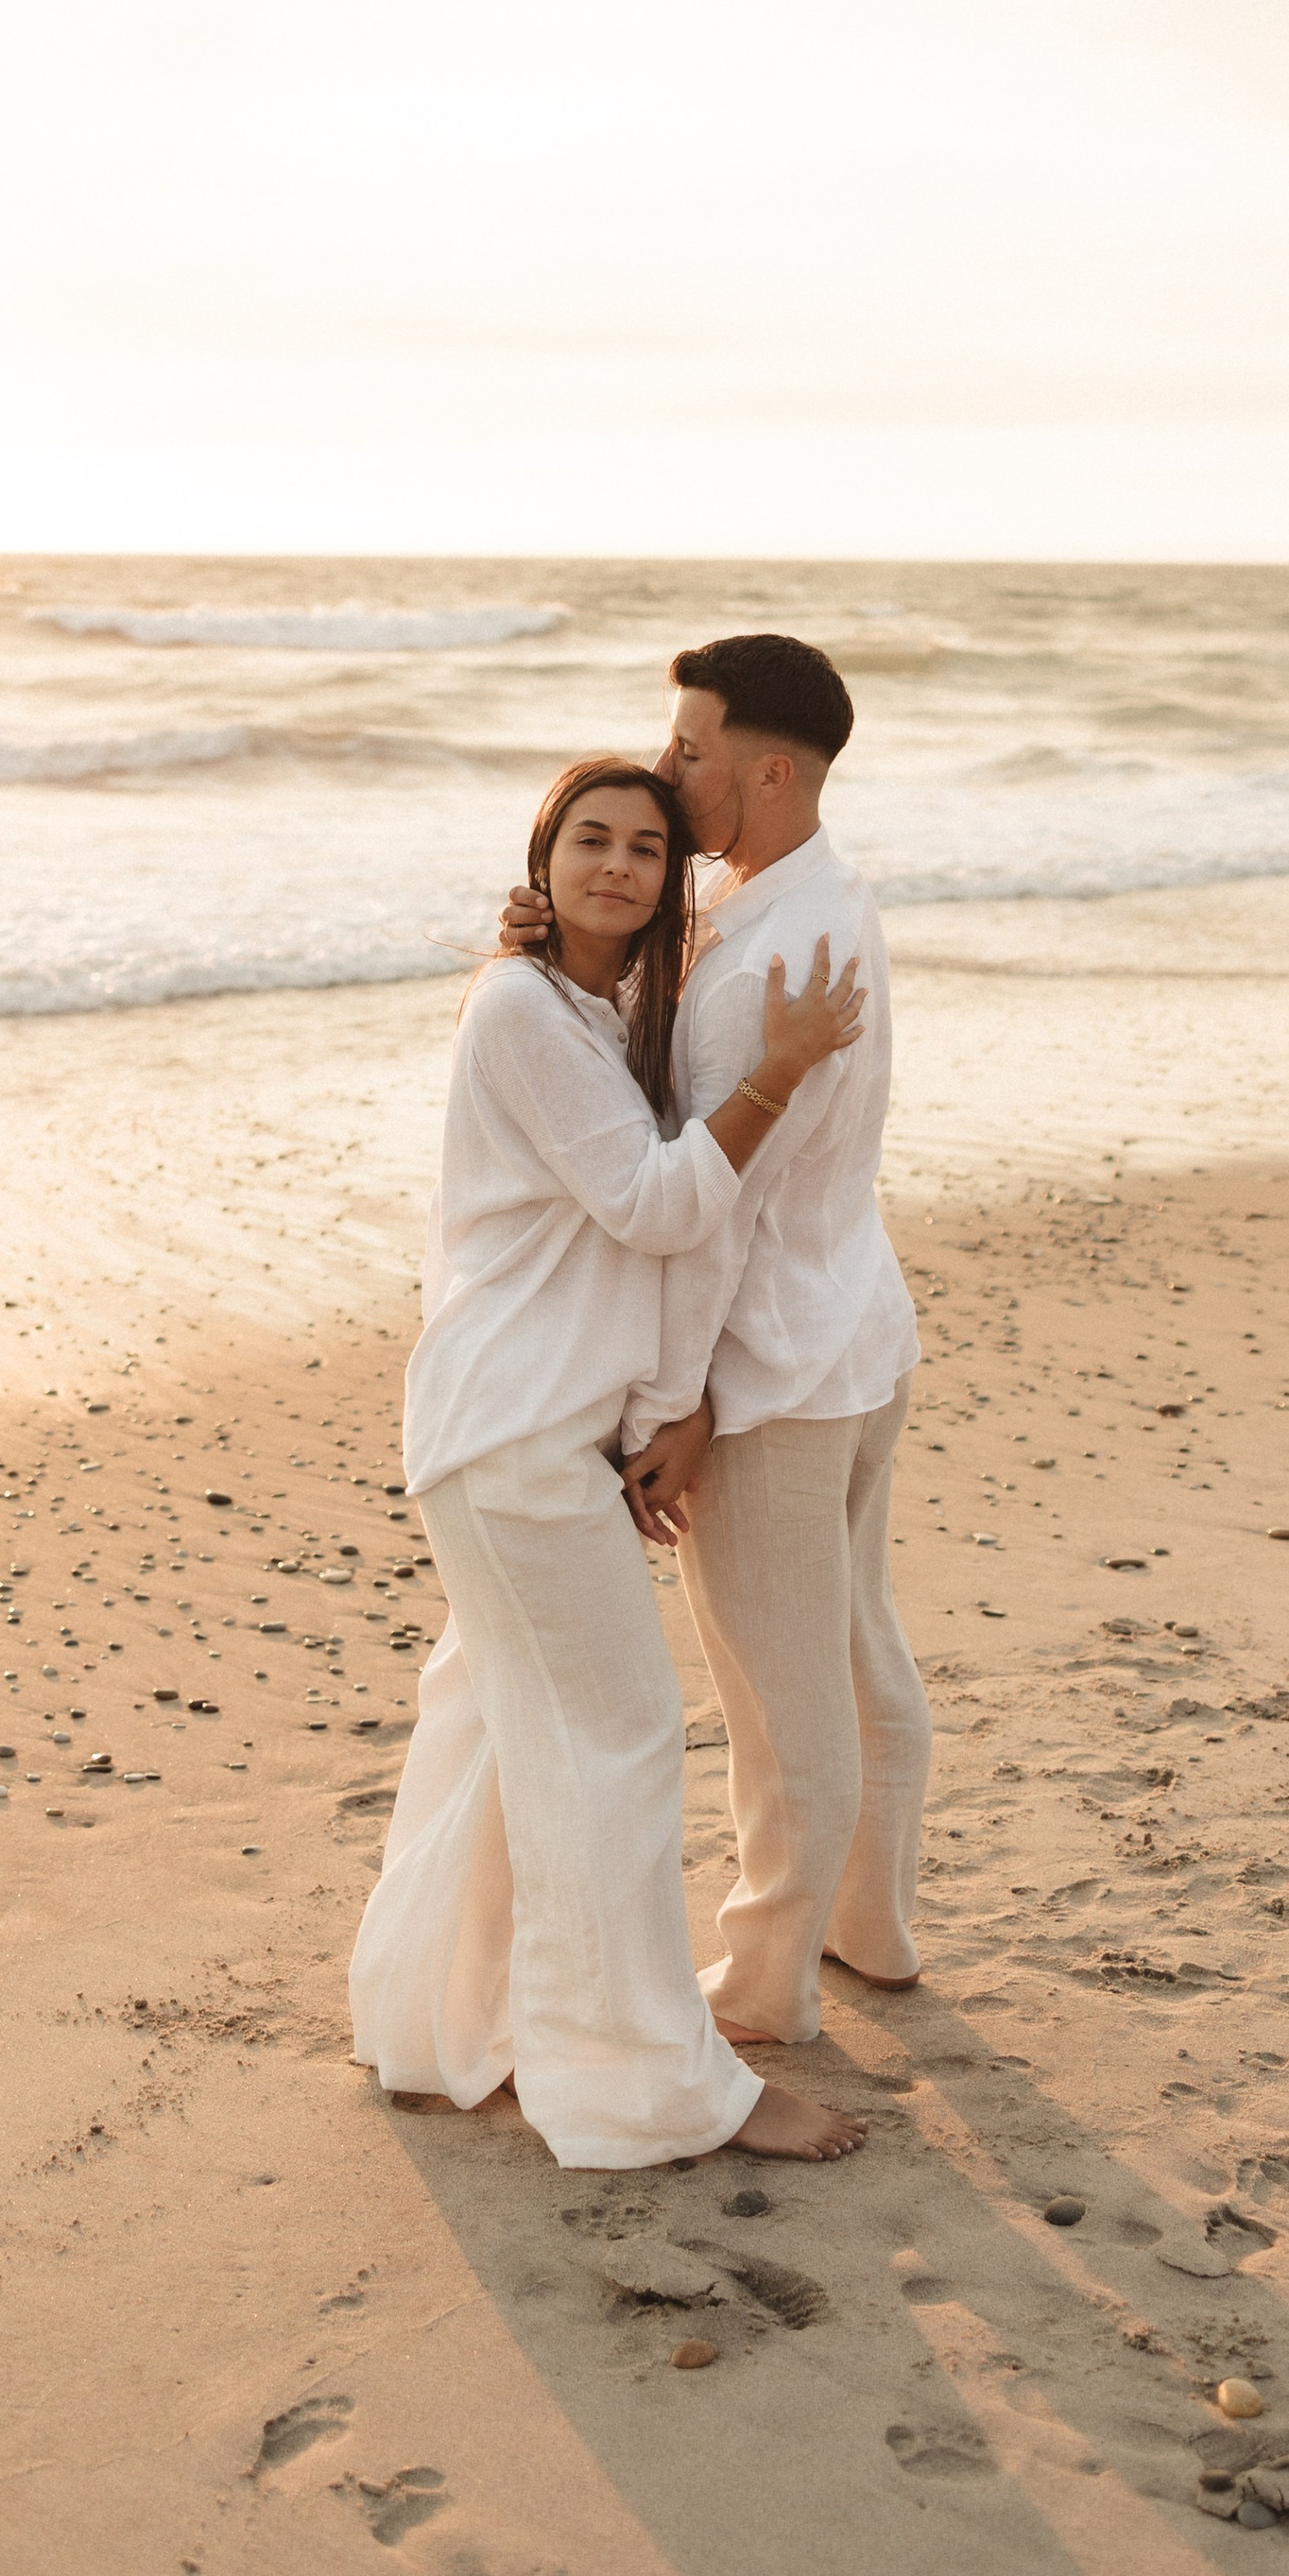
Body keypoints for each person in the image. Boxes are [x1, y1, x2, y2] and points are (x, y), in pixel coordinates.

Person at [349, 753, 871, 2171]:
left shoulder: (591, 1006)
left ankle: (439, 2030)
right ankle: (650, 2088)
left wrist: (651, 1411)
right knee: (618, 1740)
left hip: (530, 1424)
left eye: (648, 848)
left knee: (501, 1739)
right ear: (544, 858)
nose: (619, 867)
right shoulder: (521, 1008)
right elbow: (649, 1207)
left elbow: (629, 1200)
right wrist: (778, 1069)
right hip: (510, 1432)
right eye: (592, 841)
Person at [503, 634, 930, 2052]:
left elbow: (714, 1211)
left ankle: (766, 1981)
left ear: (768, 769)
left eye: (689, 752)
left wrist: (677, 1404)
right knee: (858, 1652)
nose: (672, 772)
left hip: (780, 1370)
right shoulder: (812, 903)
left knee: (777, 1693)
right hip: (853, 1332)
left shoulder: (770, 954)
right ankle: (872, 1921)